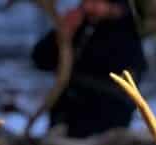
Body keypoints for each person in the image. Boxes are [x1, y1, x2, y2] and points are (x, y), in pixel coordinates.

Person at [31, 0, 148, 138]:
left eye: (94, 2)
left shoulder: (126, 33)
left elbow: (111, 71)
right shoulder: (81, 25)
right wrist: (62, 34)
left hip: (104, 127)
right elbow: (40, 59)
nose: (86, 6)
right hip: (66, 122)